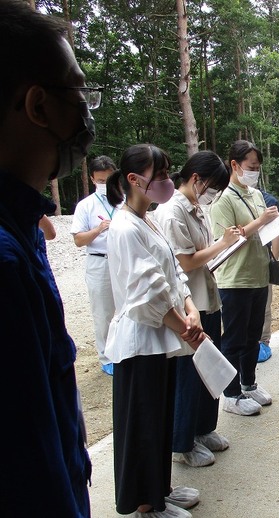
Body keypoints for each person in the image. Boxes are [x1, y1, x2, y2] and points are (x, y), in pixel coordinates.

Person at [0, 1, 94, 515]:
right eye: (77, 89)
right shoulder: (4, 261)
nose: (85, 109)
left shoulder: (23, 231)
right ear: (38, 106)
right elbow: (28, 461)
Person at [105, 144, 205, 517]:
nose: (166, 181)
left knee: (159, 417)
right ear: (134, 179)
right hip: (140, 339)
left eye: (167, 173)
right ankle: (147, 503)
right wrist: (186, 328)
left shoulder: (148, 218)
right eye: (159, 175)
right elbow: (148, 291)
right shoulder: (124, 227)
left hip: (161, 335)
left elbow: (172, 273)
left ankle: (159, 490)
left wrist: (190, 306)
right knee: (143, 424)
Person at [154, 150, 238, 468]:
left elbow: (203, 254)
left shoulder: (198, 209)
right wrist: (223, 244)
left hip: (207, 298)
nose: (213, 194)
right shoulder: (172, 212)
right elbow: (185, 261)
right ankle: (183, 441)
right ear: (196, 180)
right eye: (213, 187)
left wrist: (223, 248)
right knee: (189, 375)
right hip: (190, 304)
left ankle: (204, 429)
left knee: (209, 370)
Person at [211, 140, 279, 416]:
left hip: (258, 275)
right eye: (250, 167)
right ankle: (230, 395)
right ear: (235, 165)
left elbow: (262, 230)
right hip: (235, 280)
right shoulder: (222, 200)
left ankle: (248, 384)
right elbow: (227, 240)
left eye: (258, 168)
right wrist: (261, 221)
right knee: (234, 339)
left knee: (253, 337)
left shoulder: (255, 194)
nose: (254, 172)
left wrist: (273, 224)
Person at [71, 155, 118, 375]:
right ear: (91, 179)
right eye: (99, 180)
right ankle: (106, 357)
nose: (103, 184)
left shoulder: (124, 200)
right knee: (103, 312)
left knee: (127, 308)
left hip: (123, 261)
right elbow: (78, 240)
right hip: (99, 261)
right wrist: (99, 229)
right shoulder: (85, 205)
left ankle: (124, 352)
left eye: (107, 180)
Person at [258, 188, 279, 362]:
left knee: (264, 305)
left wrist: (274, 260)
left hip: (263, 260)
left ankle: (263, 341)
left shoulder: (267, 200)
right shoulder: (224, 197)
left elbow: (276, 233)